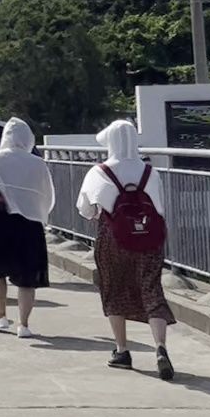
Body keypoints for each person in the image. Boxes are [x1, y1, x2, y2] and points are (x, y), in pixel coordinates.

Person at [77, 120, 176, 379]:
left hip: (114, 238)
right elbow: (160, 208)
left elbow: (86, 209)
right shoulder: (149, 172)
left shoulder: (99, 172)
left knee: (114, 289)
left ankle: (122, 350)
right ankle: (161, 348)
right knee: (152, 290)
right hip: (149, 237)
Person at [0, 117, 53, 339]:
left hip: (1, 221)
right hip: (30, 224)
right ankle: (24, 324)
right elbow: (48, 195)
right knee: (27, 277)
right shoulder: (38, 163)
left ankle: (0, 315)